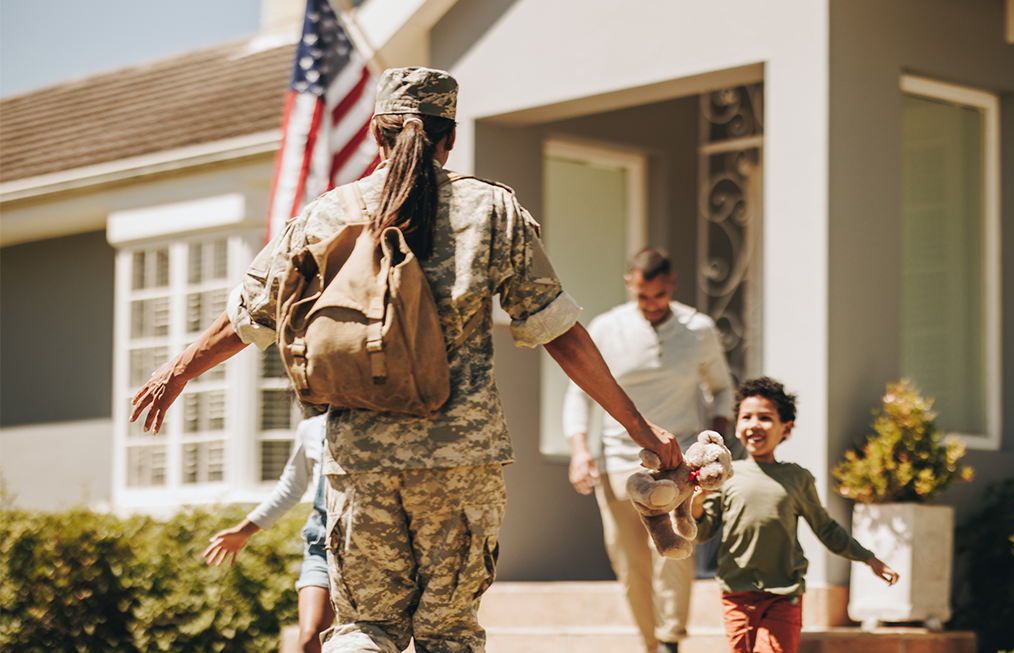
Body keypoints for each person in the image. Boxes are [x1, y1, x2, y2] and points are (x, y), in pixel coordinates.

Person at [130, 66, 681, 653]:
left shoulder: (325, 213)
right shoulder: (492, 211)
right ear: (450, 138)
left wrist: (178, 371)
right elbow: (558, 330)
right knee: (448, 633)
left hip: (357, 461)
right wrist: (639, 427)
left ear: (375, 134)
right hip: (460, 460)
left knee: (364, 628)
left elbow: (249, 318)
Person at [563, 248, 734, 653]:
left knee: (674, 551)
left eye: (657, 295)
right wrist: (579, 451)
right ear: (630, 286)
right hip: (619, 463)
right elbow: (579, 393)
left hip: (678, 465)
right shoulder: (607, 328)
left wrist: (713, 439)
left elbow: (723, 388)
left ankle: (671, 638)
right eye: (643, 296)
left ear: (671, 284)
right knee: (629, 561)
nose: (651, 304)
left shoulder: (699, 329)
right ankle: (649, 643)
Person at [691, 377, 899, 653]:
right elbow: (704, 532)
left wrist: (868, 558)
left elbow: (826, 529)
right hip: (736, 593)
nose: (754, 424)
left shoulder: (797, 479)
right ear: (737, 425)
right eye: (746, 417)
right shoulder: (725, 476)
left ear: (785, 428)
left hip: (783, 594)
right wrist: (696, 504)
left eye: (764, 417)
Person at [202, 413, 333, 653]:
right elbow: (291, 488)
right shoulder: (312, 428)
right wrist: (245, 530)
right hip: (323, 545)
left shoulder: (386, 420)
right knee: (310, 638)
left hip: (373, 546)